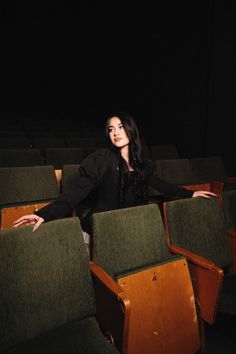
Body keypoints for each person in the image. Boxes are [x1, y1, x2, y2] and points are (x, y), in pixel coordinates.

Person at [13, 112, 216, 238]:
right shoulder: (102, 159)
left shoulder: (140, 163)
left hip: (130, 225)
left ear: (130, 129)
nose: (116, 132)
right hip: (103, 227)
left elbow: (161, 185)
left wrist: (191, 194)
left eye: (120, 127)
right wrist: (43, 215)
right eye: (111, 129)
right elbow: (77, 192)